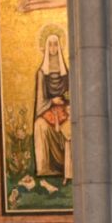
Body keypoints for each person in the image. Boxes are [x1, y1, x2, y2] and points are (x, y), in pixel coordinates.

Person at [32, 33, 69, 179]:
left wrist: (65, 101)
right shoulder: (42, 73)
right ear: (46, 47)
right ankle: (44, 168)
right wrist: (52, 101)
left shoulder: (66, 72)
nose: (53, 47)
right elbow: (40, 100)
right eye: (50, 44)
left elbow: (71, 94)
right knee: (39, 125)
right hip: (48, 110)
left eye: (55, 44)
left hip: (65, 109)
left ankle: (68, 166)